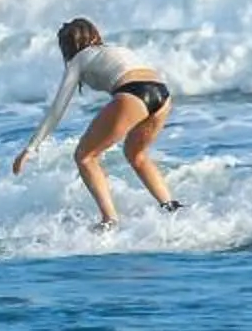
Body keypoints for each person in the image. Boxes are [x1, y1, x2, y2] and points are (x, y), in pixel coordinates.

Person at [10, 16, 184, 227]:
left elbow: (57, 109)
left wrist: (31, 148)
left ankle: (109, 221)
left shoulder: (79, 59)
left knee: (85, 156)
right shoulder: (117, 50)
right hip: (162, 93)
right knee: (136, 154)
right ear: (94, 35)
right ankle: (171, 209)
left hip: (133, 92)